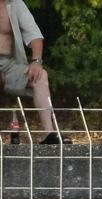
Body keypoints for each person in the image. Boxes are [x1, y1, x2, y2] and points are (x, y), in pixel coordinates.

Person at [0, 0, 70, 144]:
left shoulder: (16, 4)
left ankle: (49, 134)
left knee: (41, 75)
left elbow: (34, 34)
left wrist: (37, 61)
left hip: (10, 66)